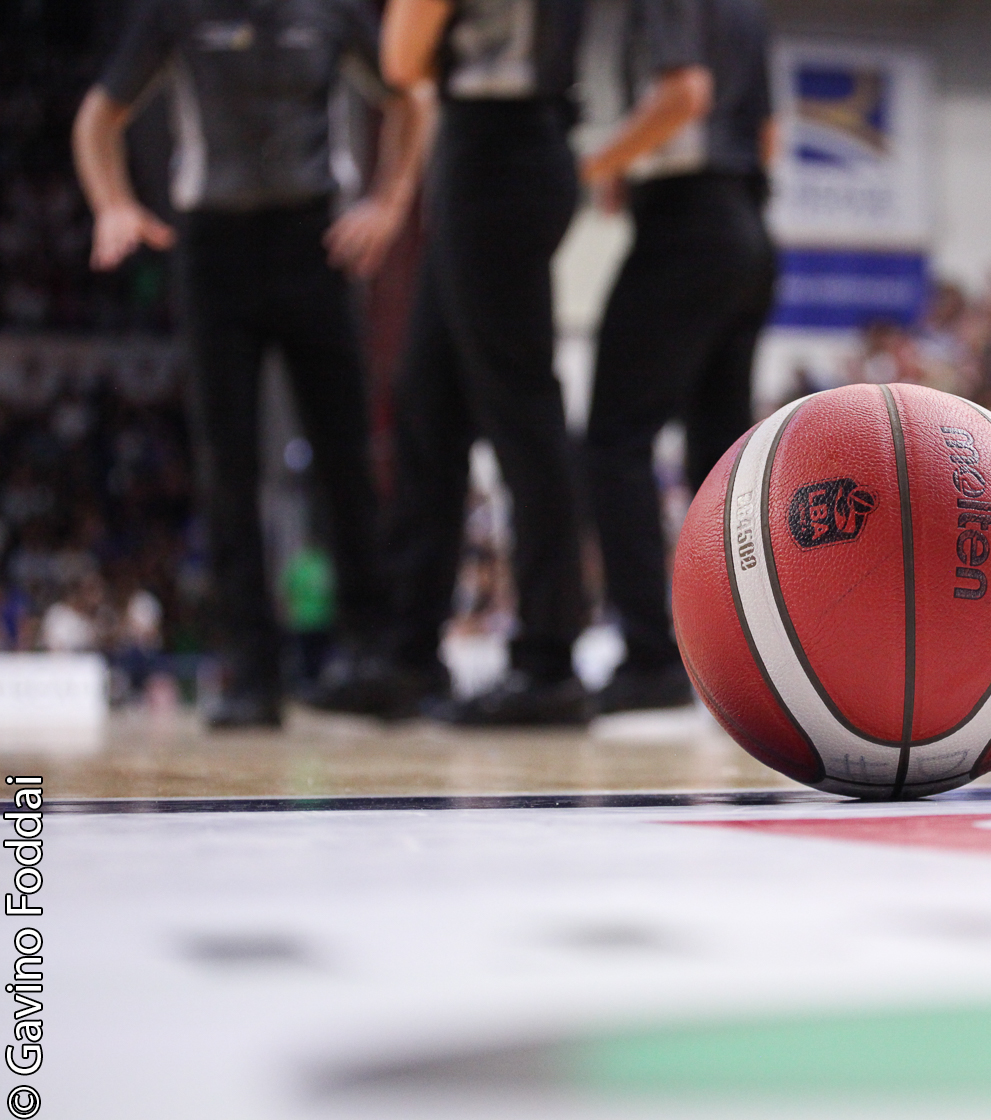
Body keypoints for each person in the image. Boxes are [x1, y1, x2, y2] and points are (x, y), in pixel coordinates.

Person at [72, 0, 431, 728]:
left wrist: (389, 203)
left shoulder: (331, 11)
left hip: (313, 239)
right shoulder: (174, 14)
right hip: (212, 249)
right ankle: (252, 676)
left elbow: (410, 99)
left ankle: (372, 658)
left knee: (347, 455)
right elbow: (96, 120)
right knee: (225, 467)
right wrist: (112, 203)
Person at [313, 0, 592, 725]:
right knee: (427, 406)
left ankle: (548, 659)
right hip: (504, 145)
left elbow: (402, 58)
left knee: (521, 408)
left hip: (498, 150)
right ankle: (408, 654)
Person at [580, 0, 778, 714]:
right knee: (719, 465)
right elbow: (769, 137)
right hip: (749, 226)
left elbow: (683, 94)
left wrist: (602, 163)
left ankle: (651, 656)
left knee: (611, 442)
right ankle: (740, 655)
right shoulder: (747, 11)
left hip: (686, 225)